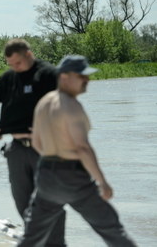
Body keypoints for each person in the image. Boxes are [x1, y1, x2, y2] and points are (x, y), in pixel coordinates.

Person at [18, 55, 136, 247]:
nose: (87, 80)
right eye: (82, 76)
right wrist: (102, 181)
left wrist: (52, 164)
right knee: (111, 230)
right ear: (64, 76)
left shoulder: (43, 102)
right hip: (73, 178)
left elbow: (37, 143)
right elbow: (82, 148)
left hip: (46, 176)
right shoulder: (72, 106)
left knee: (31, 237)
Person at [0, 38, 65, 246]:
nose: (14, 68)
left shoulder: (49, 75)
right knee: (22, 202)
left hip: (45, 148)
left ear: (29, 54)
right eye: (10, 65)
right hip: (16, 150)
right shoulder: (8, 79)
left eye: (17, 63)